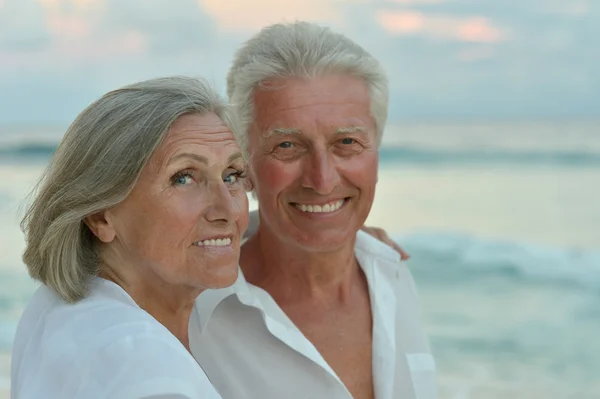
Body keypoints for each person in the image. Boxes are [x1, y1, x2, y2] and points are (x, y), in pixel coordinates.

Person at [190, 22, 437, 399]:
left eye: (347, 142)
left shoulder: (392, 275)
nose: (321, 180)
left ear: (376, 154)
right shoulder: (188, 314)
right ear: (243, 166)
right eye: (288, 146)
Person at [11, 76, 249, 398]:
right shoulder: (146, 367)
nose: (228, 209)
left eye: (231, 175)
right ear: (100, 214)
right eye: (183, 178)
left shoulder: (56, 306)